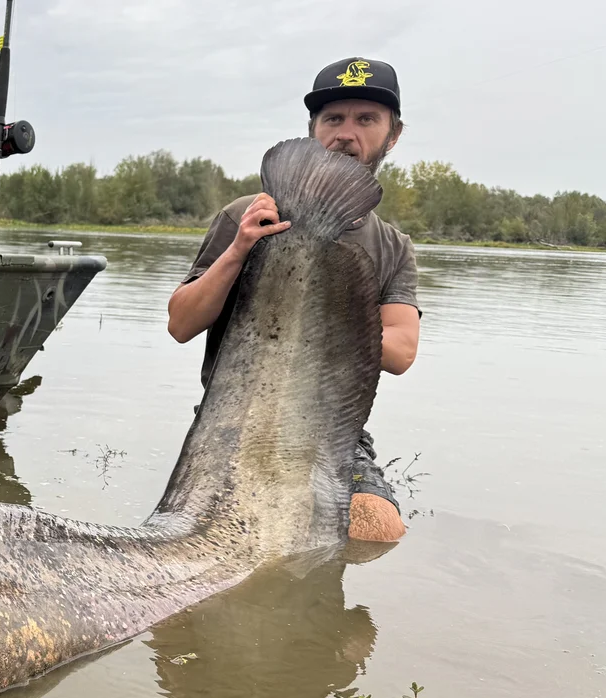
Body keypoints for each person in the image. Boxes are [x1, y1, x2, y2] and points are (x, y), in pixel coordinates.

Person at [166, 57, 420, 543]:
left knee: (377, 531)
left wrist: (331, 301)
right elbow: (180, 324)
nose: (346, 134)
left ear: (393, 134)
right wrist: (240, 249)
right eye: (333, 119)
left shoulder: (392, 246)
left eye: (366, 119)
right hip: (231, 421)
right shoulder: (245, 215)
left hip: (331, 432)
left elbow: (402, 353)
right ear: (312, 128)